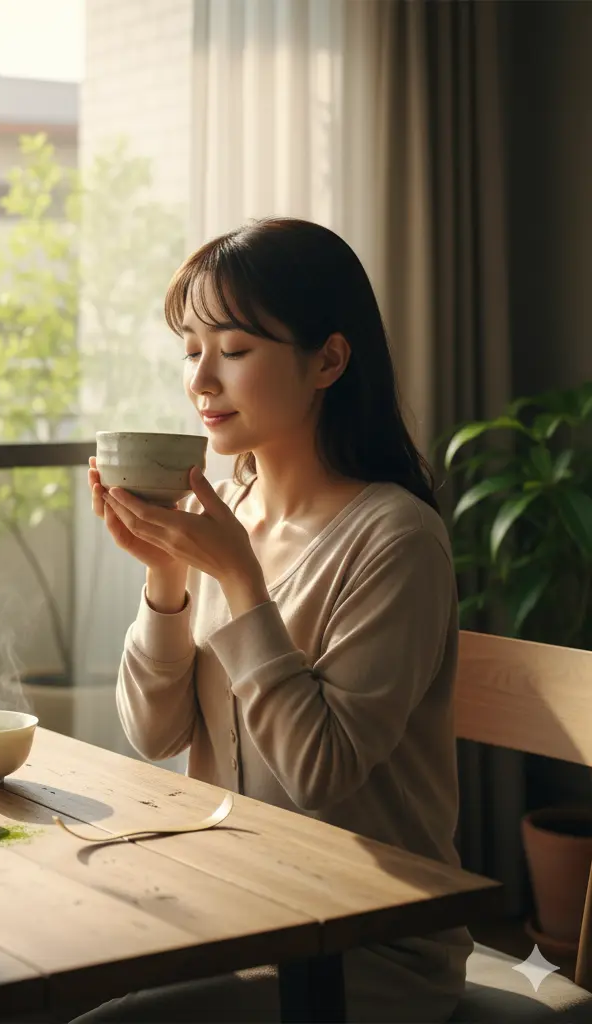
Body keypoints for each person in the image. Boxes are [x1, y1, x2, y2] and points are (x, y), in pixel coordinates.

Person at [79, 219, 471, 1023]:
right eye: (192, 350)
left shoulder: (396, 539)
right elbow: (153, 736)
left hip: (366, 947)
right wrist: (167, 576)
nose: (201, 382)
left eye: (234, 348)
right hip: (239, 910)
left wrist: (236, 577)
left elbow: (319, 773)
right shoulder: (233, 515)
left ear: (328, 359)